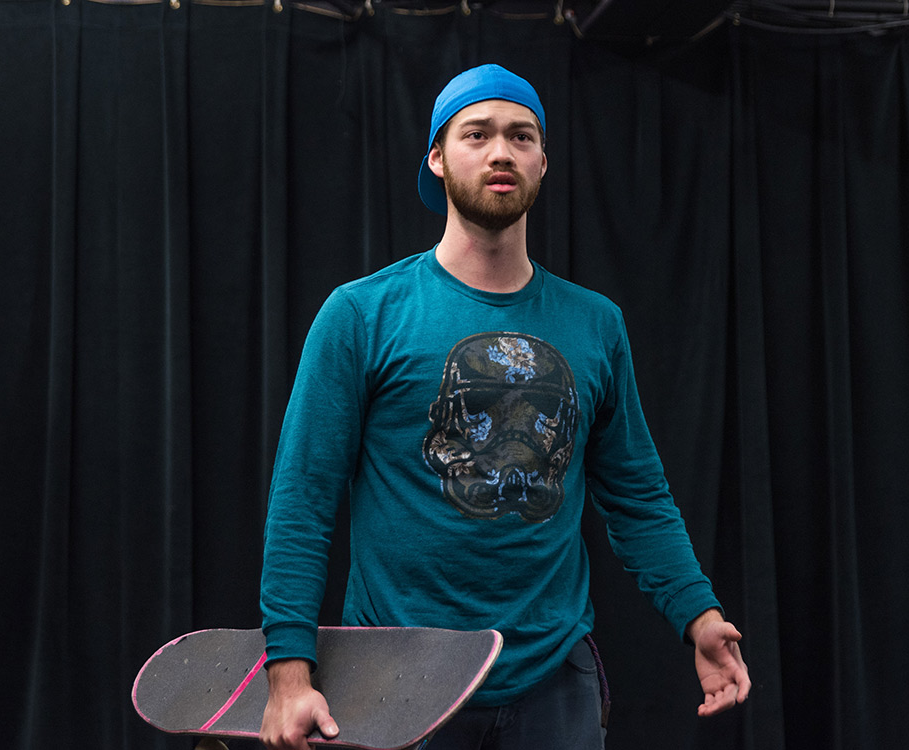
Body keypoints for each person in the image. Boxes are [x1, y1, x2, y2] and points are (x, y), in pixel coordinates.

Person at [258, 63, 750, 750]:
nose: (500, 152)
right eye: (476, 133)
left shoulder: (594, 324)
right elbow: (303, 497)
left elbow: (636, 495)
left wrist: (697, 614)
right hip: (396, 683)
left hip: (553, 677)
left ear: (542, 161)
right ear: (436, 155)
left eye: (521, 136)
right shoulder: (362, 315)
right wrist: (287, 669)